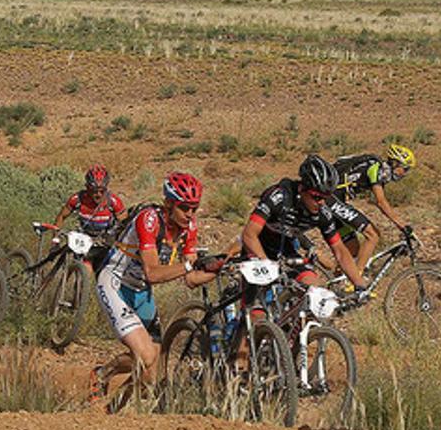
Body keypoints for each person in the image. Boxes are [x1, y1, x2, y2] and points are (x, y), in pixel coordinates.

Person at [93, 172, 214, 399]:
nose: (190, 214)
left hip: (141, 292)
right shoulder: (149, 220)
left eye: (194, 209)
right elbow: (153, 273)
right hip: (115, 282)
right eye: (184, 208)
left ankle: (113, 410)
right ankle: (101, 374)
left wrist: (217, 267)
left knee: (148, 375)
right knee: (146, 356)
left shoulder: (190, 227)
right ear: (168, 204)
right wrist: (190, 265)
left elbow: (190, 279)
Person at [240, 154, 366, 292]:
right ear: (301, 189)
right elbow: (249, 235)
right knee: (257, 311)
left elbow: (340, 251)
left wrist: (359, 285)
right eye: (316, 197)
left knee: (314, 290)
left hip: (286, 249)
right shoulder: (279, 197)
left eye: (326, 198)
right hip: (256, 247)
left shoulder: (323, 212)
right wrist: (266, 264)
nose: (321, 203)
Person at [330, 143, 417, 270]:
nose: (405, 174)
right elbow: (381, 202)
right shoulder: (375, 168)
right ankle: (357, 284)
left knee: (353, 250)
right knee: (373, 235)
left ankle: (334, 284)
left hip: (335, 201)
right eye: (405, 169)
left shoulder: (379, 170)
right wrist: (402, 225)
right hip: (331, 199)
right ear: (395, 163)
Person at [53, 165, 127, 270]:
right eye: (94, 191)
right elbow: (61, 217)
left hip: (104, 243)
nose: (98, 195)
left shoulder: (113, 202)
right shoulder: (77, 199)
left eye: (102, 191)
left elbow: (125, 224)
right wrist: (55, 240)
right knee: (85, 269)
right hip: (84, 241)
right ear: (87, 188)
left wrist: (115, 238)